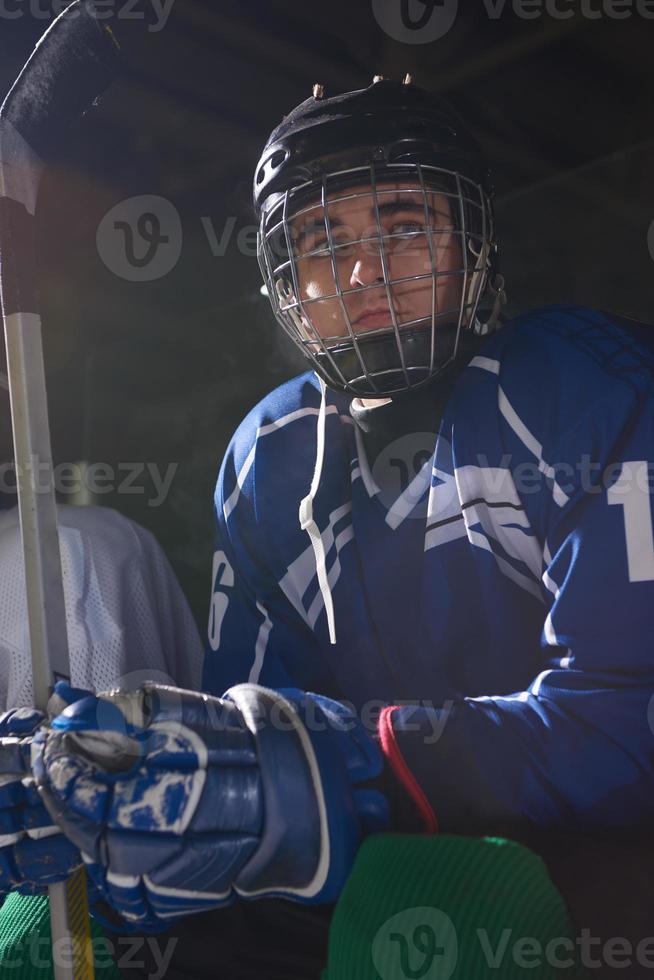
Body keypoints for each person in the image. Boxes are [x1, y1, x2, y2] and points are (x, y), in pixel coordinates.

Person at [3, 76, 654, 979]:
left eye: (401, 226)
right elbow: (258, 734)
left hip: (582, 860)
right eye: (323, 241)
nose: (363, 272)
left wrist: (362, 766)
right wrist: (136, 805)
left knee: (443, 913)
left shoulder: (589, 385)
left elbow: (631, 720)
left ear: (473, 244)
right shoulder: (268, 453)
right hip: (373, 841)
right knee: (46, 924)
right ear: (282, 275)